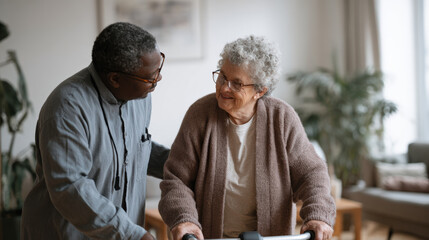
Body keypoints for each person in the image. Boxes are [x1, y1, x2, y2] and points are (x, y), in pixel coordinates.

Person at [159, 36, 336, 240]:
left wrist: (318, 215)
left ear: (260, 91)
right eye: (222, 77)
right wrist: (184, 219)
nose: (225, 87)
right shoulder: (200, 115)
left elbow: (312, 174)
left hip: (270, 236)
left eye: (237, 84)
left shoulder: (282, 117)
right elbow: (176, 179)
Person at [21, 22, 169, 240]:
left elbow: (138, 148)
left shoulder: (140, 97)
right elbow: (70, 188)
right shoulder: (66, 108)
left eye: (159, 70)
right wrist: (131, 235)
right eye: (150, 78)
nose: (158, 80)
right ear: (115, 79)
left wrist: (186, 165)